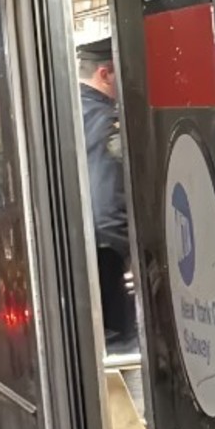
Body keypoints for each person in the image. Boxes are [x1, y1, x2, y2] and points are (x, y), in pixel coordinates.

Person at [77, 37, 134, 347]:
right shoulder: (106, 121)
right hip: (110, 271)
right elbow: (107, 211)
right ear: (105, 73)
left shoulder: (69, 114)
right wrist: (137, 258)